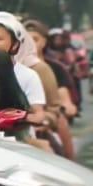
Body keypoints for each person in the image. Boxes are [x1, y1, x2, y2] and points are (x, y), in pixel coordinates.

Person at [25, 20, 78, 160]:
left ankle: (70, 163)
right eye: (25, 40)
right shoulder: (13, 65)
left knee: (61, 121)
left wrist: (66, 107)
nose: (30, 45)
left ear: (44, 42)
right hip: (21, 120)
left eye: (35, 39)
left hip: (47, 118)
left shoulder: (55, 68)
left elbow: (62, 98)